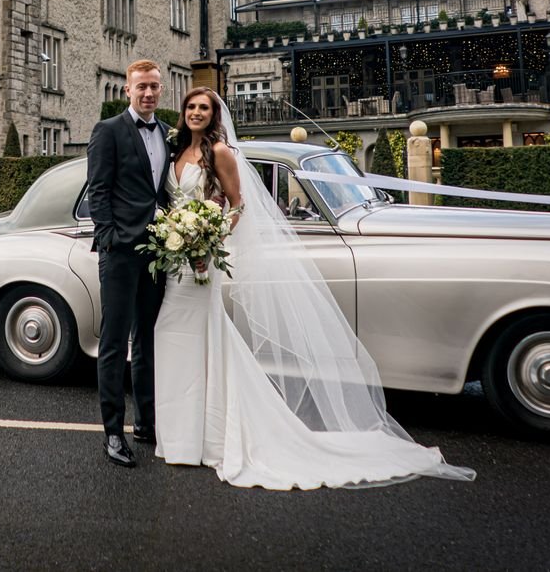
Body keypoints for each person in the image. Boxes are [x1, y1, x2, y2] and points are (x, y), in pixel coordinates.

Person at [152, 87, 475, 490]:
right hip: (175, 258)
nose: (197, 112)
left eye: (205, 108)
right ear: (183, 113)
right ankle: (181, 438)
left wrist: (209, 241)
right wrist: (177, 234)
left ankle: (208, 435)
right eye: (191, 107)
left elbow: (237, 204)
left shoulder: (220, 153)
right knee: (173, 338)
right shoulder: (175, 150)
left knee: (203, 340)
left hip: (202, 259)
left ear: (214, 115)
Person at [85, 59, 169, 468]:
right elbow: (97, 192)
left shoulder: (167, 133)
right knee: (115, 344)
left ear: (161, 90)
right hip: (119, 254)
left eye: (154, 86)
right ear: (127, 91)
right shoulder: (109, 131)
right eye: (142, 87)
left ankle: (146, 423)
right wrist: (111, 240)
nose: (148, 93)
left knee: (148, 339)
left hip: (157, 251)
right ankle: (113, 433)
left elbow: (161, 193)